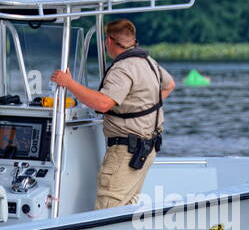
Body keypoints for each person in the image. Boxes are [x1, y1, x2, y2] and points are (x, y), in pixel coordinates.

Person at [50, 18, 174, 209]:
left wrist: (69, 83)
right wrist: (138, 108)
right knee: (126, 208)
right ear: (132, 40)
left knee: (108, 209)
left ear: (108, 41)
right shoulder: (148, 61)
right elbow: (169, 85)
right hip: (147, 149)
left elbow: (103, 103)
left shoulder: (122, 68)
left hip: (126, 152)